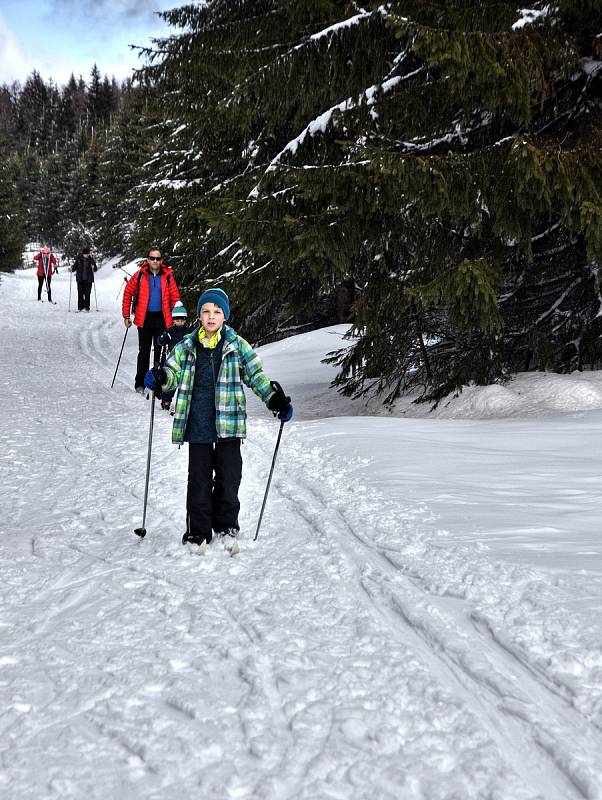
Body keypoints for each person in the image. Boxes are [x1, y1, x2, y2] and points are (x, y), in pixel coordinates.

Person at [144, 288, 293, 555]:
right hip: (198, 422)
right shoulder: (187, 346)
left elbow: (256, 375)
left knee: (229, 476)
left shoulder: (237, 345)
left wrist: (273, 399)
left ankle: (226, 526)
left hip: (230, 423)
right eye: (206, 311)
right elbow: (172, 372)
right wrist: (161, 378)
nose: (211, 317)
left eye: (217, 312)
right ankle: (197, 531)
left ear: (224, 315)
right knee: (198, 478)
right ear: (199, 315)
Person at [122, 247, 180, 394]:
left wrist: (176, 318)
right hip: (145, 319)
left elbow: (175, 299)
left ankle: (158, 383)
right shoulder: (140, 275)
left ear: (161, 261)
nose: (155, 261)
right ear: (147, 260)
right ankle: (140, 383)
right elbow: (128, 293)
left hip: (162, 319)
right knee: (144, 351)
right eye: (152, 258)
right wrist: (126, 316)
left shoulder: (167, 276)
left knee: (160, 352)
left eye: (158, 258)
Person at [156, 301, 193, 411]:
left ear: (185, 320)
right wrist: (162, 338)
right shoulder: (170, 331)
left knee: (186, 382)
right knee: (171, 380)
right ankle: (166, 401)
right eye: (177, 320)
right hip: (173, 360)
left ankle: (186, 403)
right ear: (173, 320)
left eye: (182, 320)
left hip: (186, 359)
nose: (179, 322)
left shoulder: (189, 331)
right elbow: (160, 341)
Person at [71, 247, 97, 311]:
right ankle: (80, 307)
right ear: (83, 254)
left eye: (88, 254)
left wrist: (93, 267)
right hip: (80, 279)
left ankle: (87, 307)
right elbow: (74, 267)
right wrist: (71, 268)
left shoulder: (91, 260)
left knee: (87, 294)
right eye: (86, 254)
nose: (87, 255)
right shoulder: (79, 259)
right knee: (80, 294)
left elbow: (95, 269)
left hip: (88, 280)